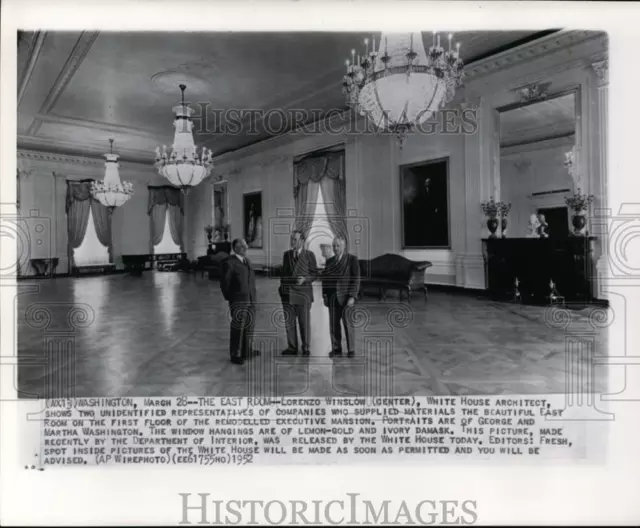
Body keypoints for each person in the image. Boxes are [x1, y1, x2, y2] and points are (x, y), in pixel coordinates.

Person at [220, 238, 260, 365]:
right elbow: (225, 283)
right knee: (238, 327)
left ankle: (247, 350)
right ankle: (235, 353)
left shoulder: (246, 261)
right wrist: (231, 297)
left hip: (251, 299)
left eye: (246, 246)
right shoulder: (230, 262)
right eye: (242, 246)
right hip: (238, 300)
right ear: (235, 248)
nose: (246, 248)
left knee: (249, 326)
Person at [279, 230, 318, 356]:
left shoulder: (309, 255)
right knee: (289, 323)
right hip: (287, 294)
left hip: (303, 294)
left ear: (302, 241)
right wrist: (281, 290)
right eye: (292, 239)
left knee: (304, 323)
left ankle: (306, 348)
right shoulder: (287, 255)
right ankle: (292, 347)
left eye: (295, 239)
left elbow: (314, 274)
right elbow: (283, 274)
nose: (292, 242)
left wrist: (305, 279)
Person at [322, 236, 360, 358]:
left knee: (348, 325)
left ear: (343, 246)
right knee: (334, 325)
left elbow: (356, 279)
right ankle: (336, 348)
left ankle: (351, 350)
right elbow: (325, 280)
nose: (336, 248)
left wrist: (352, 296)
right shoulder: (329, 261)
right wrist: (325, 296)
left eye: (338, 246)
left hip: (347, 298)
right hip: (333, 298)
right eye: (334, 246)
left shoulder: (352, 260)